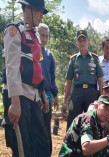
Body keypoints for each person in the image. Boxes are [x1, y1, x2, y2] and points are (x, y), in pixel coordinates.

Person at [2, 0, 50, 156]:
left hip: (33, 96)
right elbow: (12, 67)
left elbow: (37, 68)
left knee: (42, 145)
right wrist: (15, 102)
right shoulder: (14, 31)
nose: (42, 15)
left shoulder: (34, 35)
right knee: (23, 148)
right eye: (39, 10)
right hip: (19, 96)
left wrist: (43, 95)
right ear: (28, 8)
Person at [62, 30, 104, 130]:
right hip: (78, 92)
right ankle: (70, 143)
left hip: (92, 92)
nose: (82, 43)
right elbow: (68, 82)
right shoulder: (73, 60)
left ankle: (93, 143)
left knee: (92, 119)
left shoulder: (95, 58)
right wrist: (64, 100)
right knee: (72, 119)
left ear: (88, 42)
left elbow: (100, 80)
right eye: (79, 41)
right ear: (77, 43)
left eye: (84, 40)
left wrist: (101, 98)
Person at [38, 23, 59, 156]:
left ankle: (47, 153)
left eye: (47, 36)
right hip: (34, 95)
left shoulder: (49, 54)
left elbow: (52, 76)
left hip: (48, 96)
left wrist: (55, 95)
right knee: (36, 126)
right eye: (42, 35)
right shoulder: (31, 50)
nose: (44, 39)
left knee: (46, 126)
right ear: (37, 34)